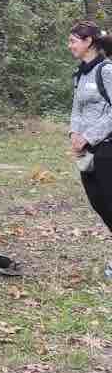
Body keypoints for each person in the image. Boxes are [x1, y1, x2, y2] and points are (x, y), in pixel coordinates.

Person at [68, 21, 112, 264]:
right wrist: (74, 133)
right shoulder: (80, 73)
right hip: (86, 152)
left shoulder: (106, 71)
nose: (70, 45)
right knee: (99, 203)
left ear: (89, 42)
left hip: (107, 148)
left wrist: (89, 136)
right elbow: (77, 107)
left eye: (74, 40)